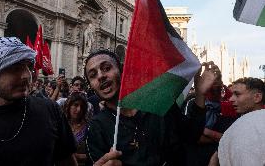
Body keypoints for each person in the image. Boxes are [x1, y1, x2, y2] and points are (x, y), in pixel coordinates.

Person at [84, 50, 219, 165]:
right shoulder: (96, 128)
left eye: (107, 68)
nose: (101, 76)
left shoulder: (159, 103)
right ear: (91, 85)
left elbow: (192, 135)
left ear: (121, 70)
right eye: (93, 75)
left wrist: (200, 94)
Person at [0, 37, 77, 165]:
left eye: (29, 66)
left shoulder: (50, 110)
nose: (27, 75)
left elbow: (67, 161)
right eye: (15, 67)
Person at [211, 77, 265, 165]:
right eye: (232, 94)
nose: (231, 99)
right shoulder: (235, 123)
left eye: (237, 94)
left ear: (257, 97)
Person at [65, 92, 89, 166]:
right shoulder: (61, 125)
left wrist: (78, 156)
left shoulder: (89, 128)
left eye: (82, 107)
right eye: (75, 105)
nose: (79, 109)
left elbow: (95, 154)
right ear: (68, 106)